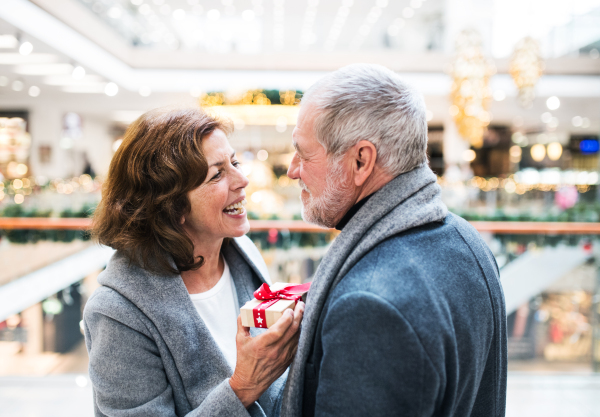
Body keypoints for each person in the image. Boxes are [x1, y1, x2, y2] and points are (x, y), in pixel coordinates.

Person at [280, 64, 507, 417]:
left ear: (361, 160)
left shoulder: (369, 306)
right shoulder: (466, 240)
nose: (293, 169)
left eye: (304, 153)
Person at [84, 107, 304, 416]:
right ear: (171, 206)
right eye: (217, 174)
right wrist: (241, 389)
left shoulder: (242, 252)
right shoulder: (117, 313)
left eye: (235, 162)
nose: (242, 180)